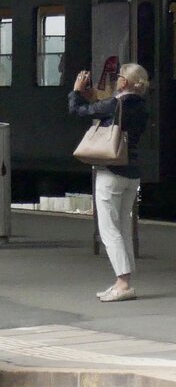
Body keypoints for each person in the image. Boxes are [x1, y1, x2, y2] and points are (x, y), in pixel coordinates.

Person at [69, 63, 149, 303]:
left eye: (118, 77)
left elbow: (77, 111)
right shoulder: (141, 106)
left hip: (110, 171)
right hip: (132, 172)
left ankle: (122, 283)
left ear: (124, 82)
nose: (116, 80)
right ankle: (123, 281)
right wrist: (94, 97)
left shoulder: (116, 104)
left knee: (108, 229)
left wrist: (75, 91)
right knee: (123, 227)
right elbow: (105, 110)